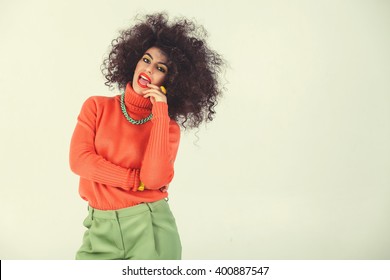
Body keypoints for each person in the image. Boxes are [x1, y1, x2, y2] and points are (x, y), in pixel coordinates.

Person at [69, 13, 224, 260]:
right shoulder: (96, 107)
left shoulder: (167, 127)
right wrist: (133, 180)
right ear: (133, 60)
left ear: (170, 82)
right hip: (100, 228)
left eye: (160, 68)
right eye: (146, 59)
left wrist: (160, 113)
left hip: (151, 229)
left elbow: (153, 180)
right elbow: (80, 160)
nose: (149, 69)